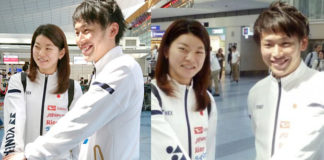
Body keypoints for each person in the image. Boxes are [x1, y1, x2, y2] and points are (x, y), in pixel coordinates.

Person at [4, 1, 144, 160]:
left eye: (86, 30)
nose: (80, 40)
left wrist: (29, 154)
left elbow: (81, 120)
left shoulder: (123, 68)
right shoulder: (101, 71)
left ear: (112, 30)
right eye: (77, 32)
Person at [248, 1, 324, 160]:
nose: (276, 53)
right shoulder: (256, 92)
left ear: (303, 43)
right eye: (268, 44)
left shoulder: (319, 86)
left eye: (285, 43)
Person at [1, 24, 83, 159]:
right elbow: (14, 119)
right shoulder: (20, 82)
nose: (41, 53)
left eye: (48, 48)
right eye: (37, 47)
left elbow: (75, 133)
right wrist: (12, 153)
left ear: (61, 53)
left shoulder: (73, 88)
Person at [151, 19, 217, 160]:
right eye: (183, 49)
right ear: (166, 51)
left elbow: (209, 150)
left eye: (199, 52)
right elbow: (163, 149)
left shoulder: (207, 100)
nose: (190, 58)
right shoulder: (153, 94)